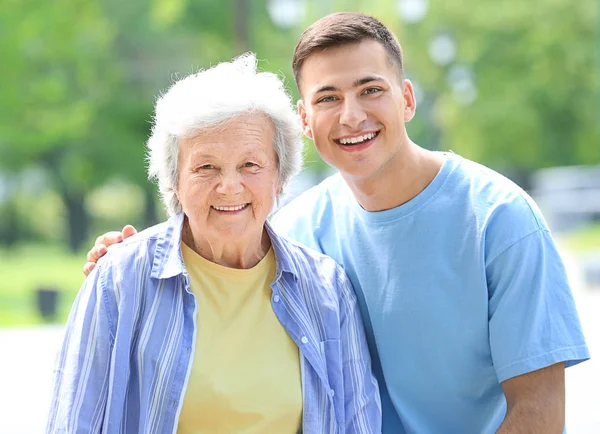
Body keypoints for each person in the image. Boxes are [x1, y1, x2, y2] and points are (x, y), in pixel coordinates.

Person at [84, 12, 590, 433]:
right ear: (305, 119)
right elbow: (214, 251)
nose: (351, 116)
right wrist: (125, 259)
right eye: (328, 98)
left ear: (407, 99)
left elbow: (540, 410)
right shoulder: (297, 231)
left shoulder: (500, 220)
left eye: (371, 89)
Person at [47, 53, 382, 434]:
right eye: (206, 167)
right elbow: (74, 422)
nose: (229, 186)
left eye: (250, 165)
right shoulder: (120, 280)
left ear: (279, 177)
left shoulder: (326, 288)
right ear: (175, 180)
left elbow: (359, 423)